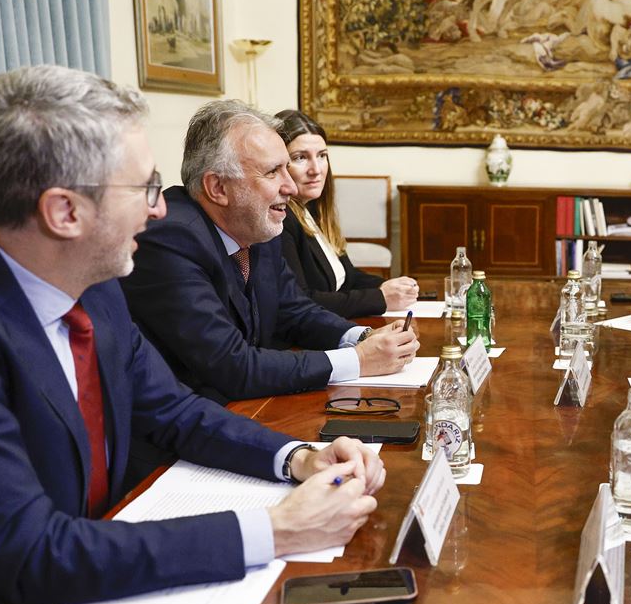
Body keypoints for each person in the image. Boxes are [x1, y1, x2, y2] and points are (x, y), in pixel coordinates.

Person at [0, 66, 385, 604]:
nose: (160, 210)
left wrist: (299, 458)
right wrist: (273, 532)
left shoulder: (95, 283)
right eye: (144, 189)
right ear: (65, 213)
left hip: (101, 585)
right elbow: (30, 553)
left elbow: (174, 410)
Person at [121, 100, 419, 405]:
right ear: (218, 188)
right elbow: (232, 366)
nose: (290, 187)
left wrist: (363, 338)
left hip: (246, 408)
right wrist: (358, 361)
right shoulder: (170, 239)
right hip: (185, 430)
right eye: (273, 172)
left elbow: (293, 310)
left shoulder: (257, 224)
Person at [274, 109, 419, 318]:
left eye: (322, 156)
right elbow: (301, 302)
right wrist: (380, 297)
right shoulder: (281, 220)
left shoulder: (313, 209)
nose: (316, 169)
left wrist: (389, 286)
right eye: (300, 158)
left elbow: (348, 277)